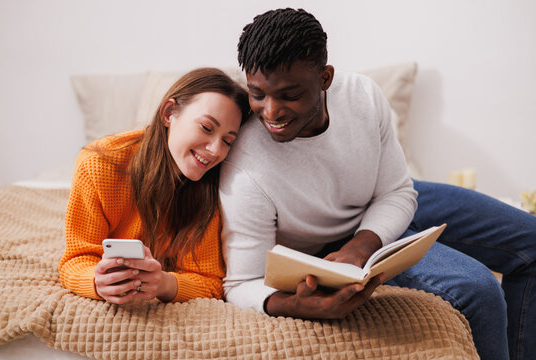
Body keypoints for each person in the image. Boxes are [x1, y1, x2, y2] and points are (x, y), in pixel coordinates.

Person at [219, 8, 536, 360]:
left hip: (390, 199)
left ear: (325, 78)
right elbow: (240, 284)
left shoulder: (362, 95)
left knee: (531, 239)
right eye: (258, 94)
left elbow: (398, 192)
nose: (271, 112)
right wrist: (294, 303)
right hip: (332, 243)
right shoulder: (245, 168)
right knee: (478, 288)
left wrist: (362, 245)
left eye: (290, 95)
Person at [60, 67, 251, 305]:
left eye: (227, 141)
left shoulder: (215, 183)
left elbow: (211, 281)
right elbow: (76, 258)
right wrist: (96, 283)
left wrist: (164, 283)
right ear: (169, 113)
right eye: (206, 128)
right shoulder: (98, 164)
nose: (215, 151)